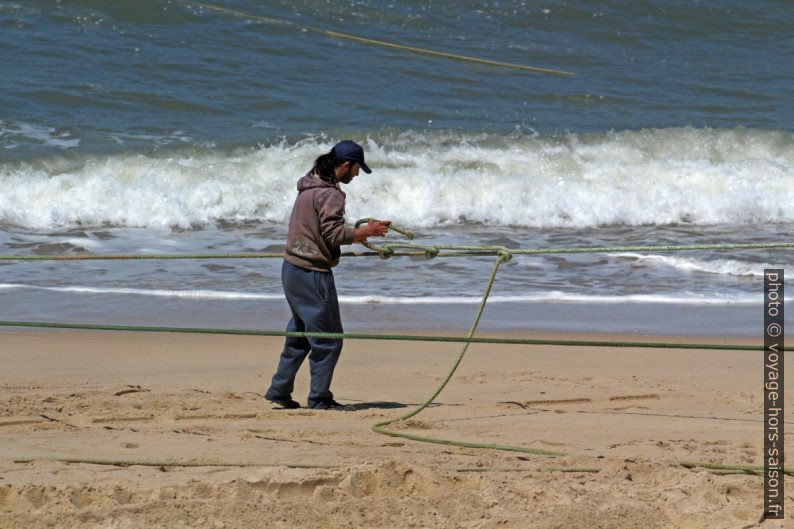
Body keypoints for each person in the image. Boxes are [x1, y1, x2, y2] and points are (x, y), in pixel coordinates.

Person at [265, 140, 391, 410]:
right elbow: (333, 233)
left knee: (299, 335)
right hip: (312, 273)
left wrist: (361, 232)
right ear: (346, 165)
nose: (356, 175)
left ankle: (279, 390)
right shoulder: (332, 194)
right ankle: (320, 399)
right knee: (329, 340)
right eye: (357, 169)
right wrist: (366, 232)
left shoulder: (309, 185)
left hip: (291, 269)